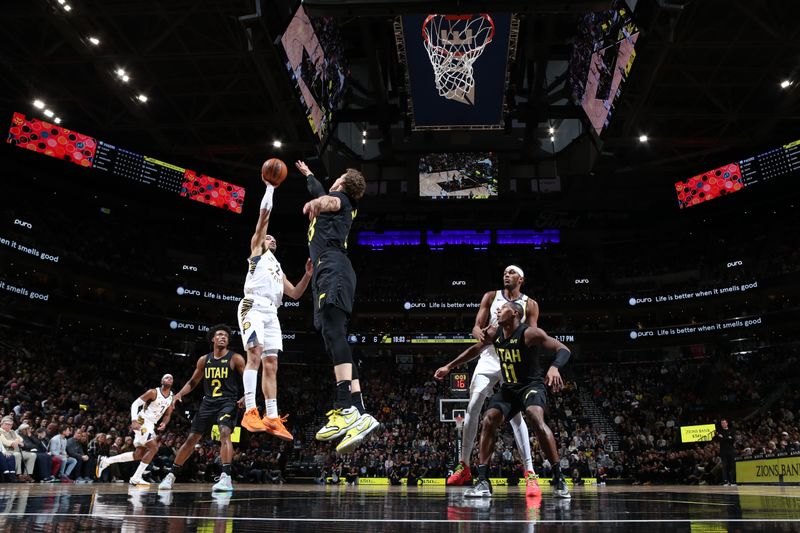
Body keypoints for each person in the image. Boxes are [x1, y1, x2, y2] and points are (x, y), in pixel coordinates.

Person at [439, 302, 572, 499]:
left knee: (534, 417)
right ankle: (483, 481)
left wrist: (555, 367)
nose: (498, 311)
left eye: (503, 309)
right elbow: (474, 350)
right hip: (509, 388)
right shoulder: (495, 333)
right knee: (489, 418)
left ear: (516, 313)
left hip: (531, 385)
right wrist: (449, 366)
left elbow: (563, 349)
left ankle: (559, 477)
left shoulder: (529, 334)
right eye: (498, 309)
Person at [434, 265, 541, 496]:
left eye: (512, 272)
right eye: (504, 272)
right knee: (473, 405)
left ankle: (530, 472)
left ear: (521, 278)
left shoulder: (530, 304)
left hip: (511, 359)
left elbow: (531, 338)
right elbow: (476, 326)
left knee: (515, 416)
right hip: (489, 356)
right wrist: (476, 331)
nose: (506, 274)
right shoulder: (491, 296)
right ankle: (464, 466)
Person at [294, 160, 378, 454]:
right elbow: (320, 190)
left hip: (333, 267)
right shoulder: (339, 201)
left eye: (339, 177)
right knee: (333, 340)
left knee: (333, 333)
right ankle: (360, 411)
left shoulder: (339, 200)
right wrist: (309, 176)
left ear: (342, 185)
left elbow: (327, 199)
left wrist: (317, 200)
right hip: (325, 272)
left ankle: (343, 406)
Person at [238, 180, 313, 440]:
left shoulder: (277, 267)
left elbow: (294, 294)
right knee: (255, 355)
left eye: (273, 238)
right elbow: (263, 217)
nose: (270, 238)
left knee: (272, 363)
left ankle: (271, 416)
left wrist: (307, 275)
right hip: (253, 305)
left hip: (272, 312)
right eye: (267, 236)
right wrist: (270, 188)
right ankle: (250, 411)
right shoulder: (257, 253)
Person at [159, 325, 245, 492]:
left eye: (226, 336)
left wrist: (246, 396)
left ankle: (226, 477)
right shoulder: (204, 360)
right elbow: (193, 382)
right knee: (191, 439)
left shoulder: (235, 358)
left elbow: (250, 378)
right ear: (213, 339)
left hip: (227, 402)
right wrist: (179, 395)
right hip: (208, 403)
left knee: (225, 432)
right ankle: (171, 476)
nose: (223, 337)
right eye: (219, 335)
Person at [97, 374, 175, 486]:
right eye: (166, 377)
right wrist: (134, 420)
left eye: (171, 378)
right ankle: (136, 477)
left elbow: (168, 414)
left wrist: (164, 423)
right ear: (162, 381)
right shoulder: (153, 392)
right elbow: (135, 404)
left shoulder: (171, 397)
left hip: (151, 424)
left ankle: (106, 461)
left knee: (139, 454)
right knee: (153, 448)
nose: (169, 379)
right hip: (142, 421)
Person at [0, 417, 36, 482]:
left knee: (32, 455)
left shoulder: (13, 431)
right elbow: (5, 442)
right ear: (2, 424)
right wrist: (15, 442)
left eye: (10, 424)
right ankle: (18, 475)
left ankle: (26, 475)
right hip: (7, 451)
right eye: (6, 424)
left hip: (17, 450)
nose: (8, 426)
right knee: (17, 455)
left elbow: (21, 440)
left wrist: (16, 441)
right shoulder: (0, 431)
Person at [715, 419, 736, 486]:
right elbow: (719, 439)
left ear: (727, 423)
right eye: (722, 423)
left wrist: (723, 437)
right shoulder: (719, 431)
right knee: (724, 466)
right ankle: (725, 481)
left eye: (724, 423)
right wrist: (727, 438)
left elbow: (733, 440)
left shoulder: (731, 430)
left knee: (732, 466)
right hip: (723, 451)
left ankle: (732, 481)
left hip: (731, 451)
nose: (723, 424)